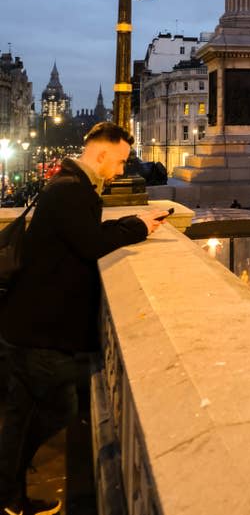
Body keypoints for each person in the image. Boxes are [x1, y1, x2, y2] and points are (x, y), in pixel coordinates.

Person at [0, 122, 166, 515]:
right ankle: (10, 481)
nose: (124, 170)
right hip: (42, 329)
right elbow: (91, 243)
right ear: (101, 153)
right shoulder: (71, 191)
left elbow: (84, 233)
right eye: (122, 160)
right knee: (56, 408)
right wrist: (137, 228)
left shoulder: (67, 185)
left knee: (21, 413)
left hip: (27, 323)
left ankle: (10, 492)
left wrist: (132, 224)